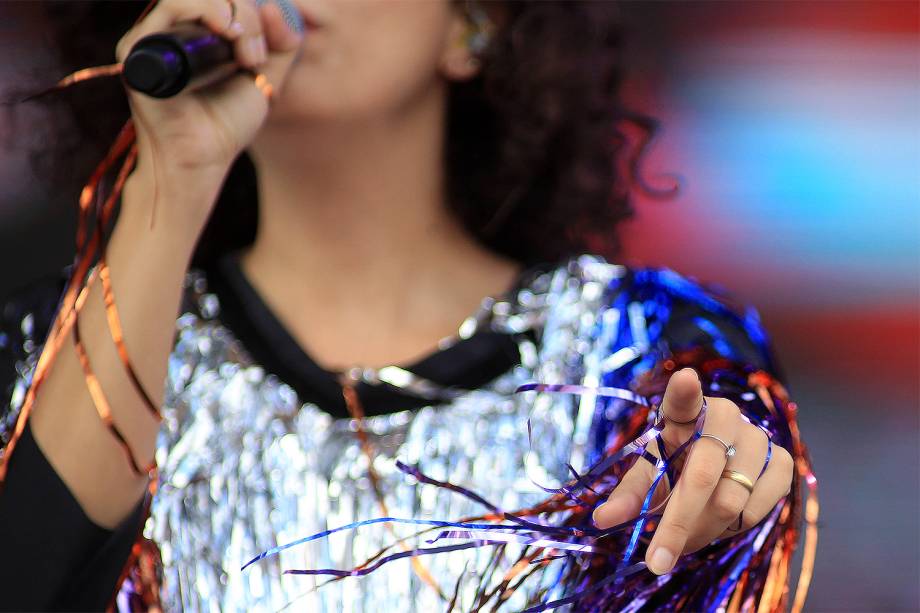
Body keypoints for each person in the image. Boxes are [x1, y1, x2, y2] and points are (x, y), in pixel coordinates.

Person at [0, 0, 811, 611]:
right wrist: (170, 177)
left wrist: (721, 538)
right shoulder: (53, 348)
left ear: (473, 29)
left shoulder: (641, 351)